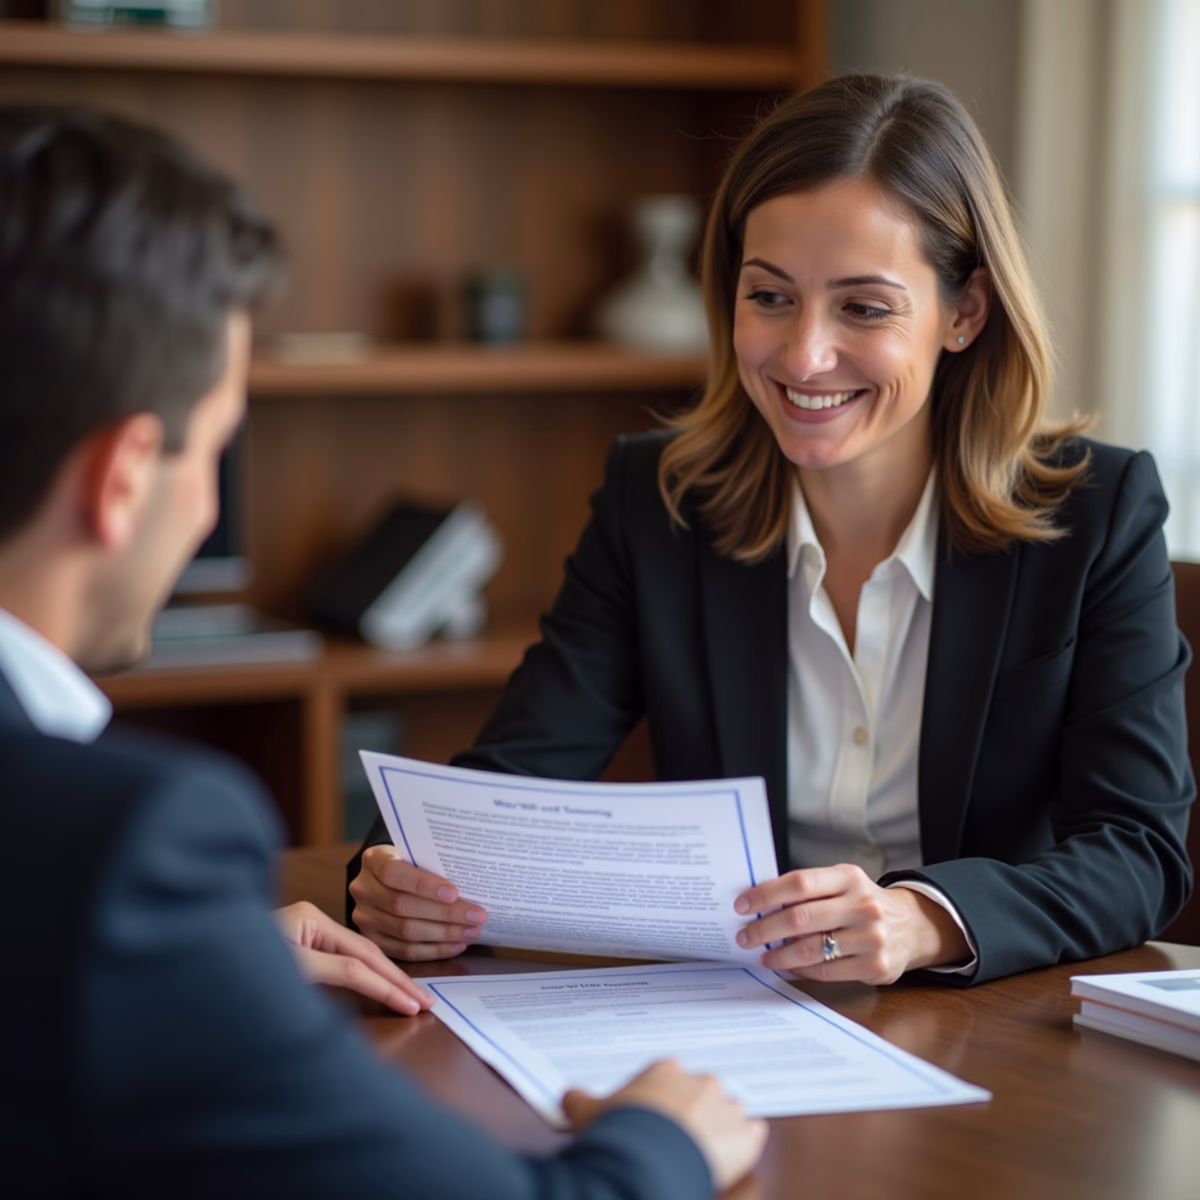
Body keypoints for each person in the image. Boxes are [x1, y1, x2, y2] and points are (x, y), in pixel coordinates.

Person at [0, 104, 766, 1197]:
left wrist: (199, 966)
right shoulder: (119, 847)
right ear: (123, 479)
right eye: (219, 446)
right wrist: (664, 1138)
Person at [349, 73, 1194, 987]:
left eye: (863, 307)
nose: (803, 356)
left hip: (996, 1034)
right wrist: (394, 875)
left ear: (965, 313)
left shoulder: (1098, 512)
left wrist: (922, 921)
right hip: (743, 1016)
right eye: (771, 296)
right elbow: (509, 778)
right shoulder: (659, 501)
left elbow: (1137, 853)